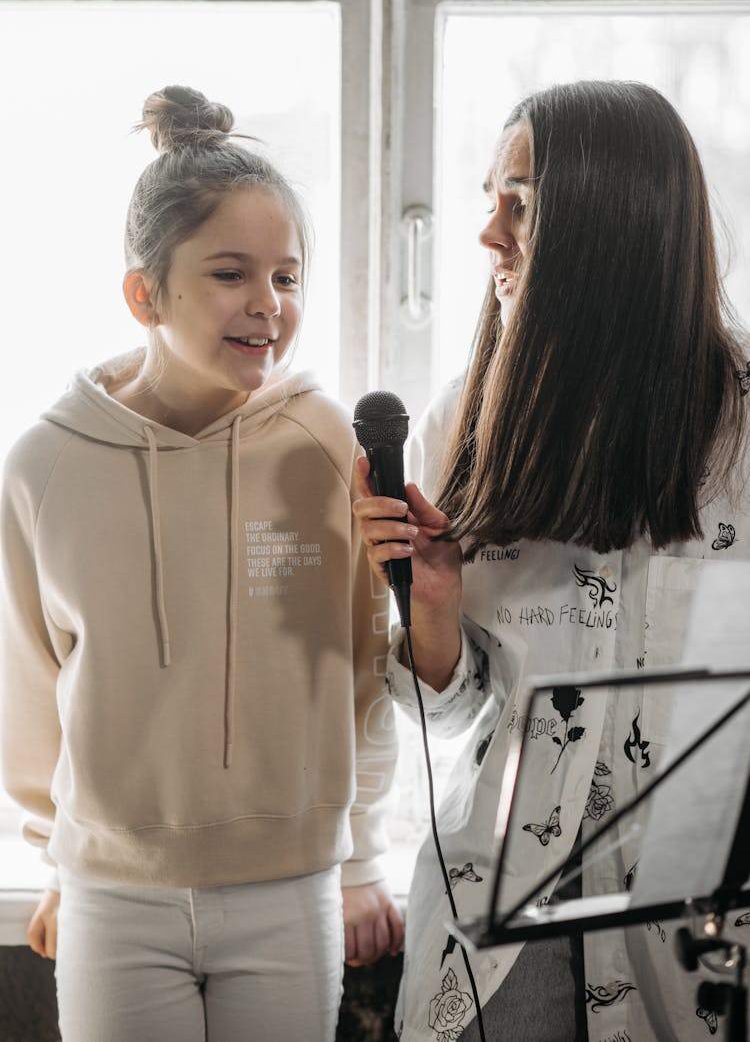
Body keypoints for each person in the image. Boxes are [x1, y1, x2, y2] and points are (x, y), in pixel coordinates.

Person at [0, 84, 403, 1042]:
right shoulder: (44, 466)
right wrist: (59, 862)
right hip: (113, 897)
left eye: (288, 277)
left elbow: (360, 672)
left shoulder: (322, 444)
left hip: (290, 884)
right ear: (145, 292)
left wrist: (357, 861)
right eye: (231, 273)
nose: (268, 305)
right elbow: (29, 691)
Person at [352, 80, 750, 1042]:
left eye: (520, 204)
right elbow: (453, 710)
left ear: (618, 220)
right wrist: (432, 604)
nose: (489, 233)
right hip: (502, 904)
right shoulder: (468, 418)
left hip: (693, 910)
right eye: (490, 199)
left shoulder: (741, 422)